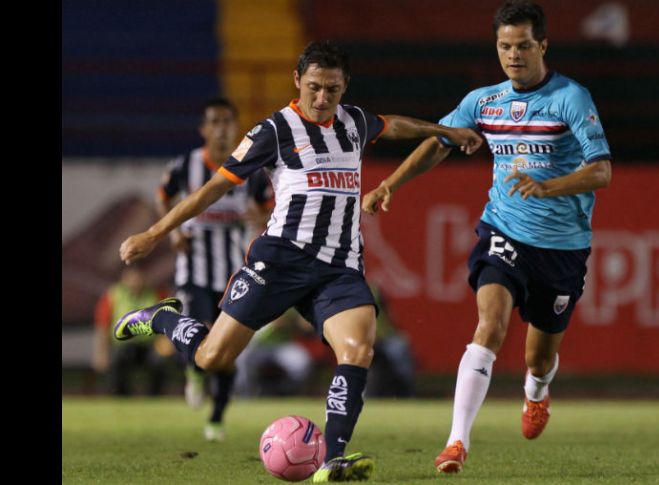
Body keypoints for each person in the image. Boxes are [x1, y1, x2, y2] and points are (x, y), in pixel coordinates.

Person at [114, 40, 483, 482]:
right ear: (297, 81)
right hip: (280, 262)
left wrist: (442, 130)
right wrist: (155, 234)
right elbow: (213, 188)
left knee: (359, 349)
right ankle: (160, 319)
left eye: (332, 89)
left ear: (345, 87)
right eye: (314, 87)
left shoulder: (354, 122)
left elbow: (392, 125)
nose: (322, 98)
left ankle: (333, 460)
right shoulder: (274, 131)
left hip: (338, 268)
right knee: (212, 358)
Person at [362, 0, 612, 474]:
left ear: (542, 45)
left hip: (561, 247)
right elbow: (440, 142)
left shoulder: (571, 99)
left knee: (538, 359)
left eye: (522, 46)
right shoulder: (484, 101)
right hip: (503, 230)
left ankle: (536, 393)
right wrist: (388, 184)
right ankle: (456, 442)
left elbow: (601, 171)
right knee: (489, 327)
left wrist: (549, 186)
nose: (512, 55)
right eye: (504, 46)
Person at [156, 97, 275, 442]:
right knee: (203, 334)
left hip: (231, 273)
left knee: (227, 348)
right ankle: (194, 373)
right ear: (204, 129)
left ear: (235, 128)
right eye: (215, 122)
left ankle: (217, 419)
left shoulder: (250, 168)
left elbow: (273, 207)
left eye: (227, 122)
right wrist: (175, 232)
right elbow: (162, 196)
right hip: (193, 271)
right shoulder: (186, 165)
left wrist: (264, 218)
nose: (222, 129)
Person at [92, 266, 177, 396]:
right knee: (117, 362)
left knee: (159, 360)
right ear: (124, 278)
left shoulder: (158, 294)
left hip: (150, 346)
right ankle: (120, 397)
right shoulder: (113, 295)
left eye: (139, 277)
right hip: (123, 347)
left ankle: (155, 397)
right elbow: (103, 327)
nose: (136, 281)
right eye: (132, 277)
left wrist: (166, 343)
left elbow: (169, 322)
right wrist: (101, 352)